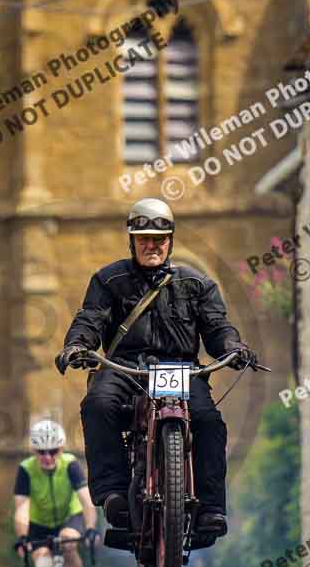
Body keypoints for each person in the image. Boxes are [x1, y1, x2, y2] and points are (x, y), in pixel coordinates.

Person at [55, 198, 256, 546]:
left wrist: (233, 348)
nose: (151, 245)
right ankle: (113, 493)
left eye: (158, 239)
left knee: (208, 421)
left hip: (179, 370)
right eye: (143, 238)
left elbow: (218, 327)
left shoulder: (197, 284)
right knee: (97, 405)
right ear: (131, 240)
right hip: (125, 369)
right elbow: (90, 319)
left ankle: (211, 508)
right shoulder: (108, 280)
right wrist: (78, 345)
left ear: (170, 242)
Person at [13, 419, 99, 567]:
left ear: (61, 449)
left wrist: (90, 529)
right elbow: (22, 508)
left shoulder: (70, 464)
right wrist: (22, 537)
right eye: (41, 452)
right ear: (33, 451)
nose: (47, 457)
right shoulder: (25, 469)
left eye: (53, 451)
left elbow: (86, 501)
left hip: (70, 517)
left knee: (68, 545)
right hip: (39, 524)